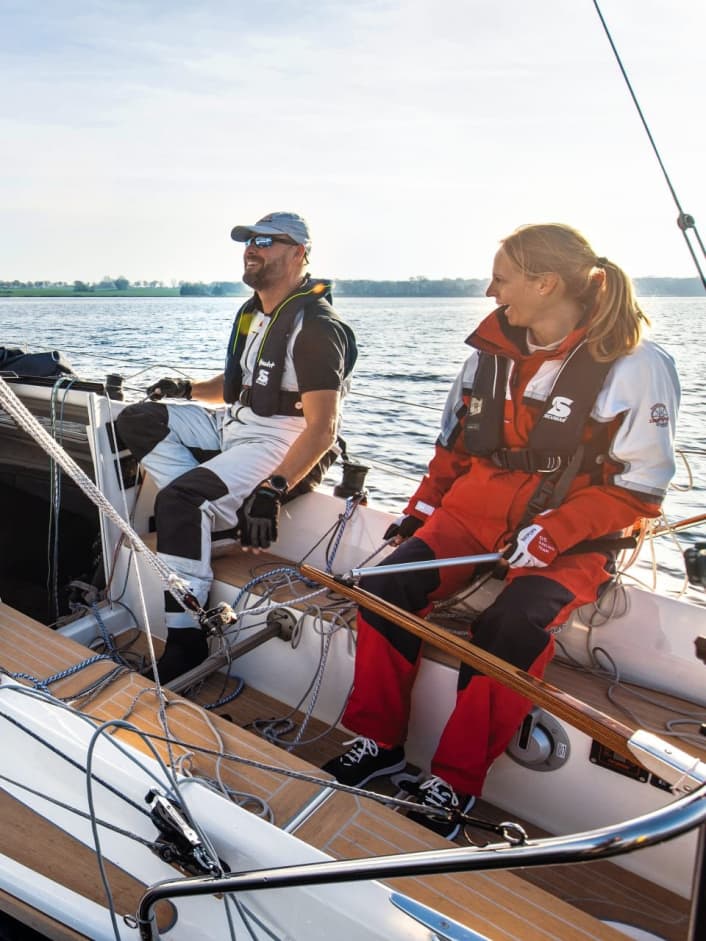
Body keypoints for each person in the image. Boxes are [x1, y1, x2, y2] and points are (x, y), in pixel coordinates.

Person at [323, 223, 680, 839]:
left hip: (570, 538)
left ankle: (453, 783)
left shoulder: (635, 366)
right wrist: (423, 511)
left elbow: (641, 487)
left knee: (509, 626)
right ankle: (379, 741)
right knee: (383, 588)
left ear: (545, 283)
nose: (491, 292)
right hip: (473, 518)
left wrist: (556, 530)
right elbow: (452, 452)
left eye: (502, 278)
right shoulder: (486, 359)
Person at [117, 211, 357, 682]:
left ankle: (187, 642)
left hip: (280, 437)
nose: (253, 247)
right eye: (249, 240)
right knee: (137, 418)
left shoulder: (316, 327)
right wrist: (186, 388)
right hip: (236, 423)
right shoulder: (255, 314)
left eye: (267, 241)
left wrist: (274, 488)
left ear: (299, 254)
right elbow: (234, 391)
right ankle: (213, 518)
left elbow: (323, 427)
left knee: (179, 500)